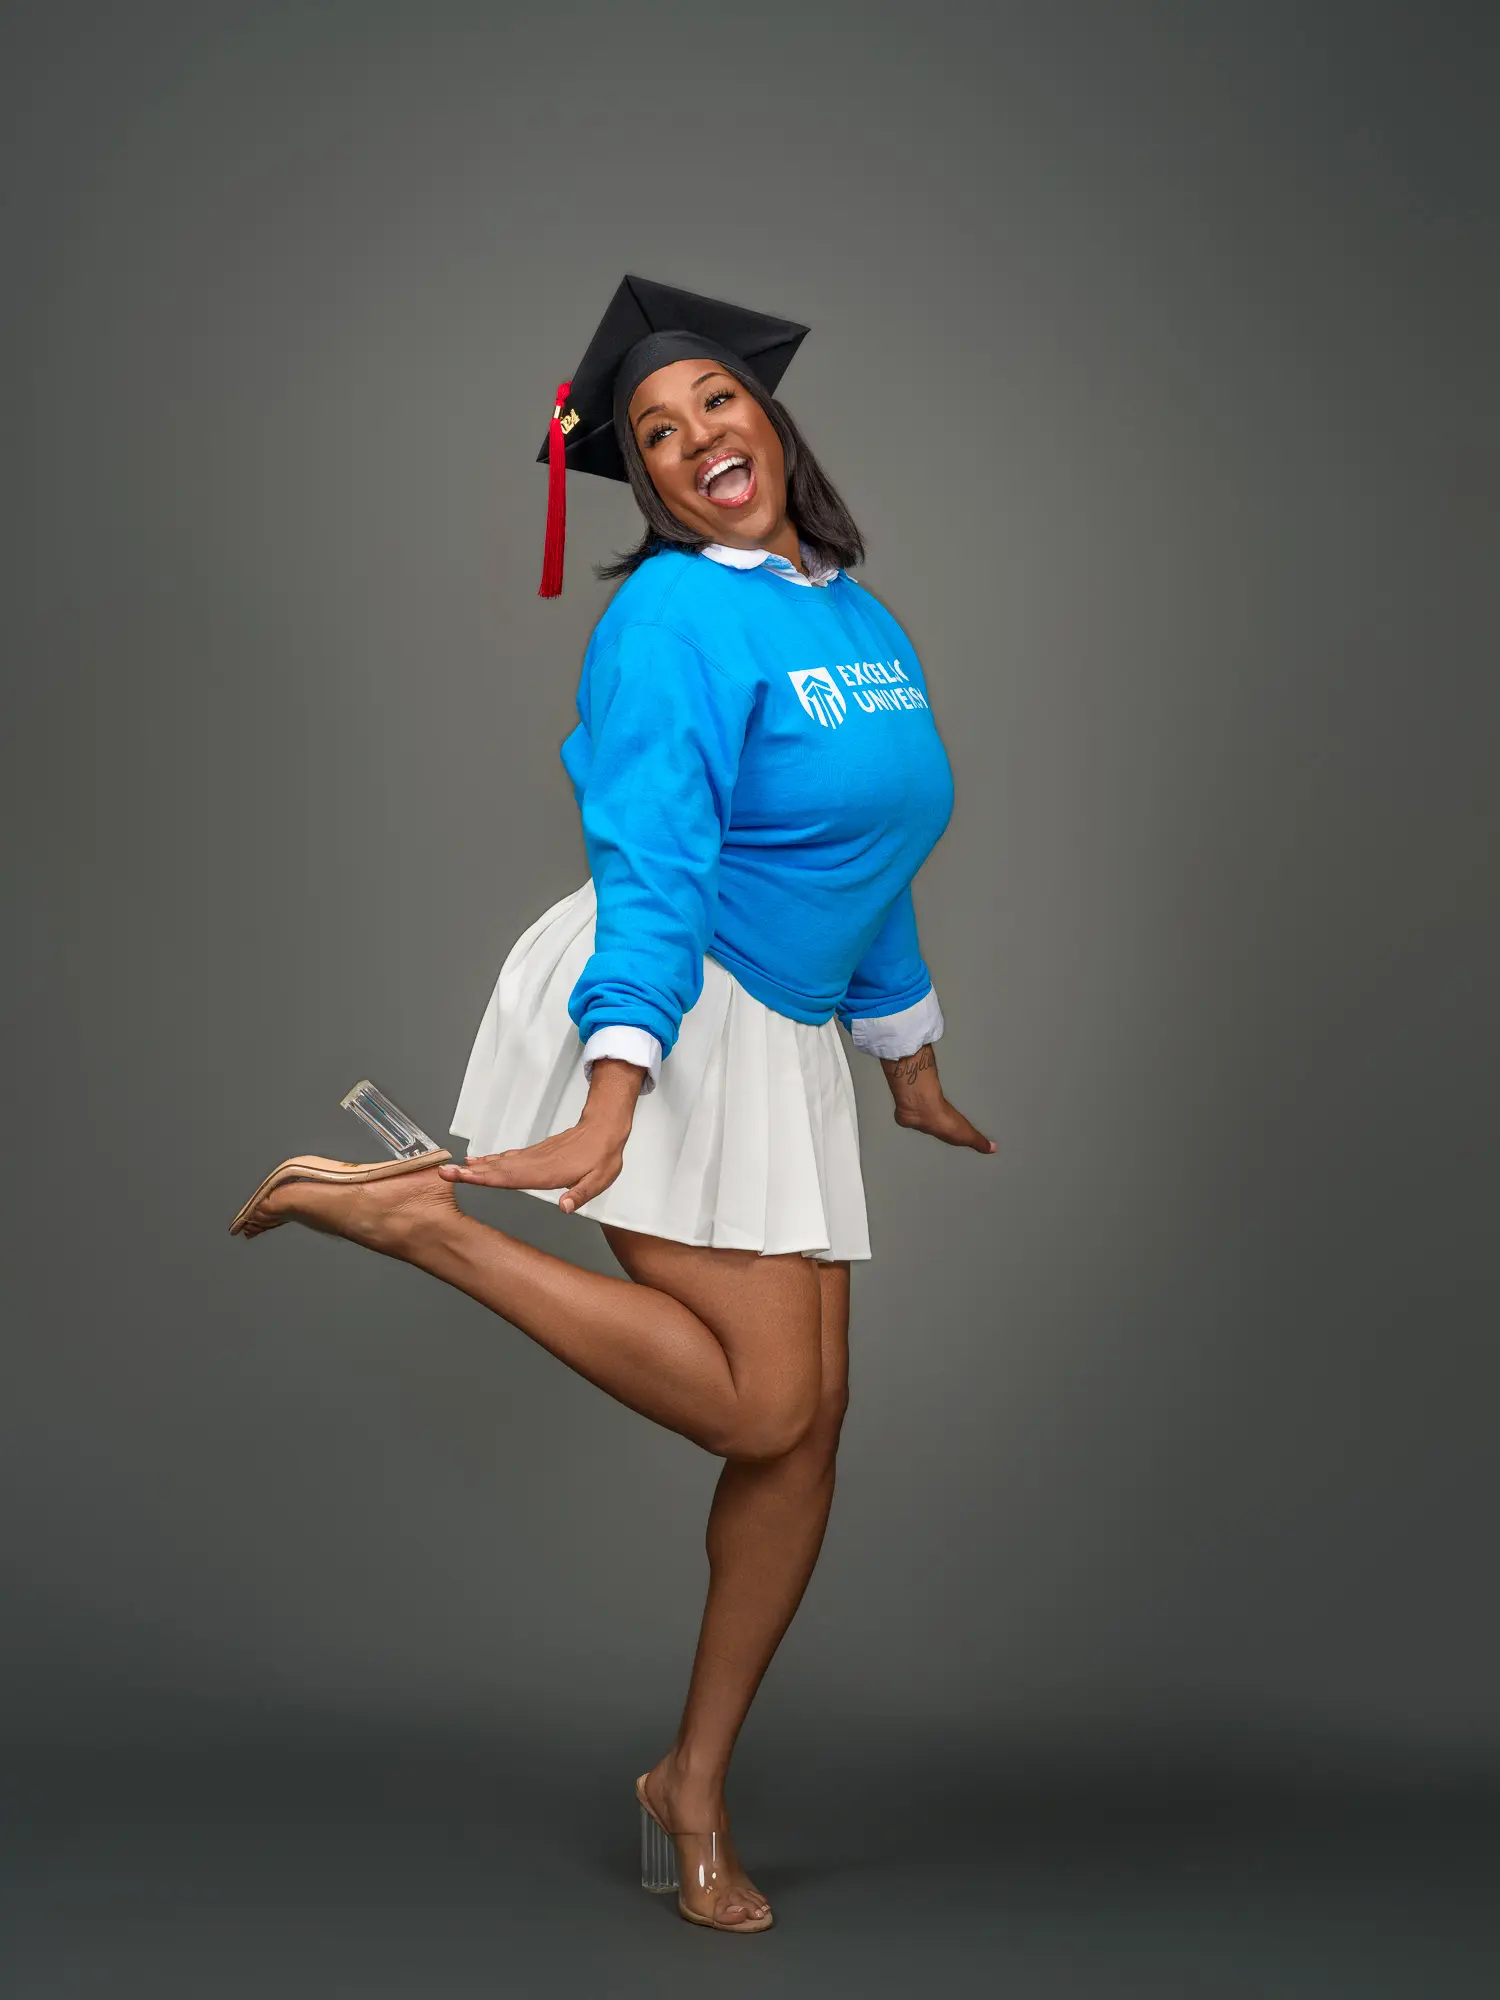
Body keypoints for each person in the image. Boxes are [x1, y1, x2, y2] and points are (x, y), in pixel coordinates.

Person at [231, 276, 995, 1933]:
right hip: (672, 998)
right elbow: (652, 862)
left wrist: (911, 1061)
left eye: (714, 403)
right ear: (640, 481)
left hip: (780, 1021)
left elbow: (872, 854)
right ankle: (428, 1224)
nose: (697, 439)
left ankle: (690, 1785)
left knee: (807, 1440)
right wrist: (611, 1093)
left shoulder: (848, 611)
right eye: (657, 432)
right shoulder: (667, 623)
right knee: (760, 1409)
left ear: (769, 419)